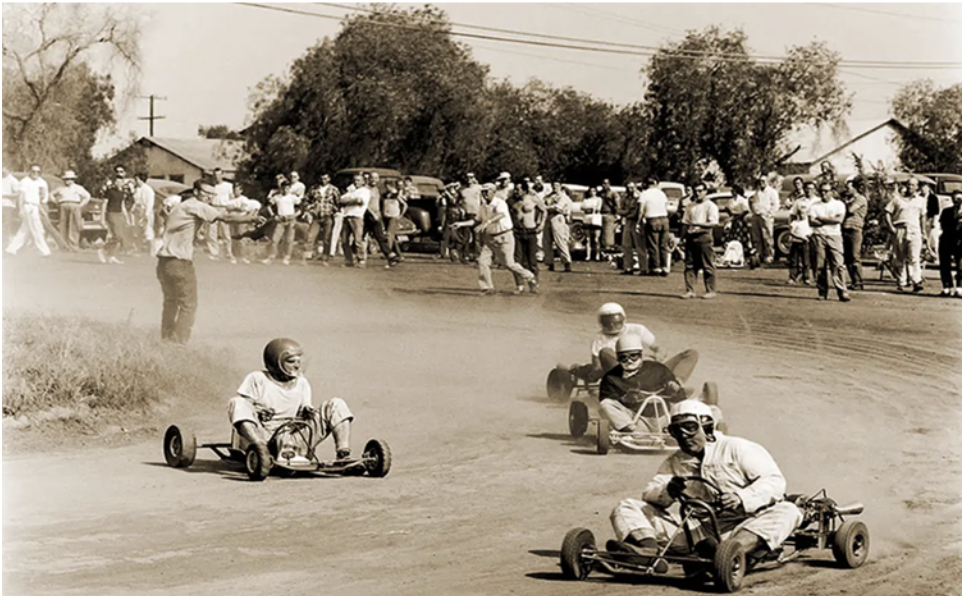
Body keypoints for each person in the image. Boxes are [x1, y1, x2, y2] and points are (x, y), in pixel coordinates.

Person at [607, 400, 802, 573]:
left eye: (690, 427)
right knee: (627, 506)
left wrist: (741, 497)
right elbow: (649, 494)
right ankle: (649, 554)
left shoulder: (738, 448)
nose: (683, 435)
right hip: (700, 531)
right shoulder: (674, 462)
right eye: (677, 430)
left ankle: (725, 555)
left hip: (745, 524)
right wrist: (668, 491)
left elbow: (774, 481)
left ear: (707, 427)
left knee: (788, 511)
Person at [154, 180, 261, 344]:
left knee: (171, 302)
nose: (209, 198)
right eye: (206, 193)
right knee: (188, 305)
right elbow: (225, 217)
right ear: (196, 192)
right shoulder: (196, 205)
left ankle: (166, 339)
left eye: (212, 195)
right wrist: (251, 219)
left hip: (164, 262)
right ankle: (178, 344)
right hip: (179, 262)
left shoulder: (184, 205)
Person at [228, 338, 355, 461]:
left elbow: (305, 408)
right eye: (291, 361)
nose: (297, 366)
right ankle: (260, 450)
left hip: (294, 436)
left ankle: (343, 454)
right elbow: (245, 405)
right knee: (237, 402)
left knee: (336, 404)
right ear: (275, 362)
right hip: (266, 437)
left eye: (298, 361)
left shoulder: (302, 383)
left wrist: (307, 411)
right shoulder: (257, 379)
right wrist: (258, 411)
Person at [453, 182, 536, 295]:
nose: (484, 194)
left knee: (509, 264)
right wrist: (461, 224)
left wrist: (487, 222)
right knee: (482, 262)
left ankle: (529, 276)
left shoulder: (500, 203)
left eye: (486, 192)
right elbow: (476, 220)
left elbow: (500, 215)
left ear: (493, 192)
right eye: (483, 192)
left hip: (504, 236)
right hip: (490, 238)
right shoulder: (483, 206)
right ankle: (487, 287)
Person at [598, 335, 688, 435]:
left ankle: (680, 428)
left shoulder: (658, 369)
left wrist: (674, 389)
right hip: (635, 420)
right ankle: (627, 430)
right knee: (605, 404)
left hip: (664, 418)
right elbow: (607, 399)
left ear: (641, 355)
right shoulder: (611, 377)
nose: (629, 360)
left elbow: (680, 397)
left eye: (633, 356)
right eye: (623, 357)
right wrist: (624, 398)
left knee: (686, 405)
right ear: (618, 358)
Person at [568, 302, 662, 383]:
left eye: (616, 323)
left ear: (623, 320)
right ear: (602, 323)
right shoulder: (599, 339)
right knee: (605, 353)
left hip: (641, 367)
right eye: (608, 323)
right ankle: (577, 370)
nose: (612, 326)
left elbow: (658, 348)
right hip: (616, 372)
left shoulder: (637, 330)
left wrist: (659, 354)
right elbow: (597, 367)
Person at [809, 182, 851, 302]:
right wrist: (830, 220)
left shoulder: (839, 204)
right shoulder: (814, 206)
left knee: (838, 264)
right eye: (821, 191)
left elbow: (839, 220)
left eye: (826, 191)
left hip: (834, 236)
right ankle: (822, 291)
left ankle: (842, 291)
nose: (823, 193)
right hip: (818, 236)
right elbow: (811, 221)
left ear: (832, 192)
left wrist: (821, 219)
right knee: (819, 265)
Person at [884, 177, 927, 293]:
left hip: (914, 230)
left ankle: (916, 281)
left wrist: (923, 232)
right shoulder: (897, 199)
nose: (910, 187)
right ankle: (901, 282)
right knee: (899, 257)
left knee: (914, 257)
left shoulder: (920, 200)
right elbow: (887, 212)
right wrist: (891, 227)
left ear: (917, 187)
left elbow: (923, 216)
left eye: (913, 185)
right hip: (900, 229)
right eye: (908, 184)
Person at [680, 183, 719, 299]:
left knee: (708, 264)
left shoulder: (710, 206)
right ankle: (690, 290)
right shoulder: (690, 206)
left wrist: (698, 224)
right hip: (691, 236)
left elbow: (713, 223)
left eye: (701, 191)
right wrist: (681, 238)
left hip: (704, 236)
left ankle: (711, 290)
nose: (698, 193)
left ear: (705, 191)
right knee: (690, 265)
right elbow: (685, 222)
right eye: (696, 191)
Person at [5, 165, 51, 258]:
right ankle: (45, 251)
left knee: (24, 230)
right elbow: (21, 196)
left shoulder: (41, 182)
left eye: (37, 172)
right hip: (28, 206)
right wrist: (21, 209)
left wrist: (42, 209)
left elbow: (42, 197)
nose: (35, 174)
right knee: (36, 229)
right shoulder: (25, 181)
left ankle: (11, 249)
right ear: (29, 171)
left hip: (36, 206)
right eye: (33, 171)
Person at [509, 180, 546, 291]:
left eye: (518, 189)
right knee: (517, 260)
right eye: (515, 189)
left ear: (524, 190)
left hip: (531, 231)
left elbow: (544, 210)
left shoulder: (532, 199)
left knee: (532, 261)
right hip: (517, 232)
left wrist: (541, 224)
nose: (516, 191)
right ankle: (519, 284)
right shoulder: (510, 200)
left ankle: (534, 283)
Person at [98, 164, 135, 264]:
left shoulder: (123, 192)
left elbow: (122, 205)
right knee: (116, 235)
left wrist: (126, 218)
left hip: (119, 214)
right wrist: (102, 218)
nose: (120, 182)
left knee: (121, 236)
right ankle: (103, 250)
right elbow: (104, 204)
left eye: (121, 180)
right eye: (118, 180)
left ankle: (111, 256)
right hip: (111, 213)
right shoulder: (110, 191)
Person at [261, 179, 300, 265]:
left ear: (289, 188)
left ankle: (287, 257)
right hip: (280, 219)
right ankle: (271, 257)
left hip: (290, 219)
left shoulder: (293, 197)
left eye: (287, 188)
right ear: (281, 188)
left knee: (289, 240)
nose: (285, 190)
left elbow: (300, 209)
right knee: (275, 239)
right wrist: (274, 216)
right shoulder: (277, 197)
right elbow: (268, 206)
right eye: (284, 188)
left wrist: (294, 215)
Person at [638, 178, 671, 276]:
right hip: (664, 218)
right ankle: (665, 267)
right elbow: (666, 207)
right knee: (663, 244)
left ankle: (655, 267)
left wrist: (639, 221)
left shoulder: (644, 194)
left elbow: (641, 210)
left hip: (652, 218)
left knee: (653, 244)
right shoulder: (661, 194)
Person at [52, 170, 92, 252]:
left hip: (74, 205)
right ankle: (63, 245)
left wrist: (81, 204)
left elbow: (87, 196)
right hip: (63, 205)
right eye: (66, 179)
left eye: (70, 179)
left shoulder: (78, 188)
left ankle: (73, 245)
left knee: (74, 226)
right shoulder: (60, 188)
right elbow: (51, 194)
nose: (68, 181)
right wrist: (57, 202)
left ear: (73, 180)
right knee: (63, 225)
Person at [841, 177, 868, 291]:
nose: (846, 190)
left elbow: (851, 210)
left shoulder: (860, 199)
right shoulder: (851, 199)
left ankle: (858, 281)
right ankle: (854, 281)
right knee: (848, 258)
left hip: (855, 229)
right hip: (846, 228)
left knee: (854, 256)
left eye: (848, 188)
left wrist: (844, 202)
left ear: (854, 188)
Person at [786, 182, 815, 285]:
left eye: (811, 189)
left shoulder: (818, 201)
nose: (809, 191)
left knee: (808, 258)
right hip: (799, 233)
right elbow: (792, 215)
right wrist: (792, 229)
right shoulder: (799, 201)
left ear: (814, 190)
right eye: (807, 189)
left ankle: (807, 277)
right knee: (794, 257)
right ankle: (792, 276)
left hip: (812, 232)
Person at [339, 173, 371, 267]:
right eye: (355, 180)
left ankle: (361, 260)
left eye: (358, 180)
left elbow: (360, 201)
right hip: (347, 216)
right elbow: (341, 199)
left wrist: (349, 200)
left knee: (358, 240)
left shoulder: (365, 191)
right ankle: (348, 260)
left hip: (357, 217)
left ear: (363, 181)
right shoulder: (351, 191)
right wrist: (352, 199)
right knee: (344, 240)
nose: (356, 182)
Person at [542, 182, 573, 272]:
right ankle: (549, 263)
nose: (554, 187)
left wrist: (546, 207)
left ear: (560, 186)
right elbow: (541, 204)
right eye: (553, 186)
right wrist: (547, 207)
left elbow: (558, 208)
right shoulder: (549, 196)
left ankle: (566, 262)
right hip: (548, 217)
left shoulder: (563, 197)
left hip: (558, 217)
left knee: (559, 240)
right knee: (546, 241)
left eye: (556, 186)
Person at [937, 190, 962, 297]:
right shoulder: (946, 211)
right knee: (945, 264)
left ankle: (960, 287)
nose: (958, 201)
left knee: (961, 265)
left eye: (960, 199)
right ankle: (947, 287)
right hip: (947, 240)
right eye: (955, 199)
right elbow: (943, 225)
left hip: (961, 242)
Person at [207, 167, 234, 261]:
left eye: (218, 175)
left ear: (222, 175)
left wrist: (230, 208)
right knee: (212, 232)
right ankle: (214, 253)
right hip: (214, 208)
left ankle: (228, 253)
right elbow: (208, 199)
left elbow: (232, 198)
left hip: (224, 209)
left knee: (225, 232)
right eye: (215, 175)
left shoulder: (228, 186)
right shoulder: (211, 187)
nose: (216, 177)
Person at [750, 174, 778, 264]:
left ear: (767, 182)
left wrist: (769, 214)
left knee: (767, 237)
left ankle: (769, 255)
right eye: (760, 181)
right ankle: (759, 254)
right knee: (756, 237)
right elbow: (752, 203)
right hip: (756, 216)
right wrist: (754, 211)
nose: (761, 183)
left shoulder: (772, 192)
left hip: (766, 217)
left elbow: (775, 205)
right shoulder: (756, 192)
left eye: (763, 181)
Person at [619, 182, 645, 275]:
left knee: (639, 246)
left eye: (631, 188)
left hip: (637, 222)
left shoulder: (639, 196)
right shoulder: (624, 197)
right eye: (628, 188)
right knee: (626, 245)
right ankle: (628, 267)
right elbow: (619, 210)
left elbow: (637, 211)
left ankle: (643, 267)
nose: (630, 190)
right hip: (627, 221)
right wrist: (626, 212)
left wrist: (627, 212)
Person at [382, 178, 407, 262]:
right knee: (392, 237)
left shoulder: (396, 195)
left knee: (389, 235)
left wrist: (400, 215)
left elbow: (404, 205)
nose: (387, 188)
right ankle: (399, 254)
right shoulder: (385, 195)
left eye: (388, 186)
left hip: (393, 216)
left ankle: (388, 253)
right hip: (386, 216)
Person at [131, 173, 156, 251]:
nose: (135, 181)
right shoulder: (137, 189)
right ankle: (140, 248)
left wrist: (146, 214)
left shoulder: (148, 190)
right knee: (138, 230)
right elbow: (136, 201)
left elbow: (150, 204)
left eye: (136, 179)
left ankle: (151, 249)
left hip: (145, 211)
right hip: (138, 211)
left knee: (148, 230)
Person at [580, 187, 604, 262]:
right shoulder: (586, 200)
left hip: (596, 218)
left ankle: (597, 255)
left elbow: (598, 208)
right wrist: (590, 208)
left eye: (594, 191)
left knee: (596, 239)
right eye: (591, 191)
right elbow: (582, 207)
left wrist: (589, 208)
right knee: (588, 239)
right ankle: (588, 255)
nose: (592, 192)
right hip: (587, 218)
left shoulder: (599, 199)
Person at [2, 168, 21, 241]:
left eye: (4, 169)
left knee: (6, 225)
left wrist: (5, 196)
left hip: (7, 205)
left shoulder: (13, 180)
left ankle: (5, 242)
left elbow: (17, 194)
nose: (2, 171)